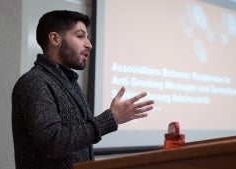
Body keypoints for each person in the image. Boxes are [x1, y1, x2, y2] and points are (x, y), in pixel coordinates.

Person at [12, 10, 154, 169]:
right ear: (55, 39)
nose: (89, 44)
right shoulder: (35, 82)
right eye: (80, 36)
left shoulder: (69, 82)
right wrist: (110, 119)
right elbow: (54, 143)